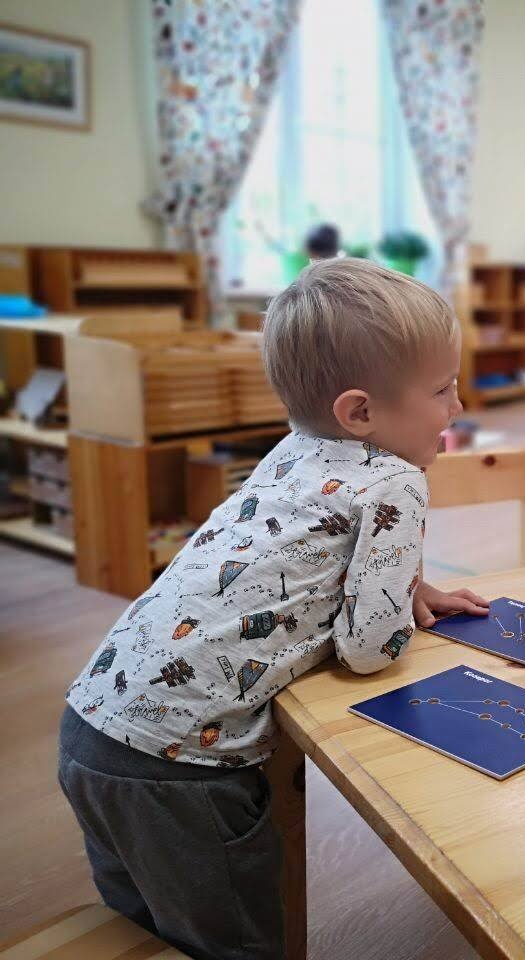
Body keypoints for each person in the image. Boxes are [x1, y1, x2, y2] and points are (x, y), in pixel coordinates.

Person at [58, 258, 488, 960]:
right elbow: (367, 651)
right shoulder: (397, 481)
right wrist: (395, 617)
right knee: (237, 945)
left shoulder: (293, 450)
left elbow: (305, 547)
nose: (459, 407)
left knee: (147, 933)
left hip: (93, 725)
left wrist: (410, 583)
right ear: (361, 412)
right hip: (183, 770)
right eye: (443, 389)